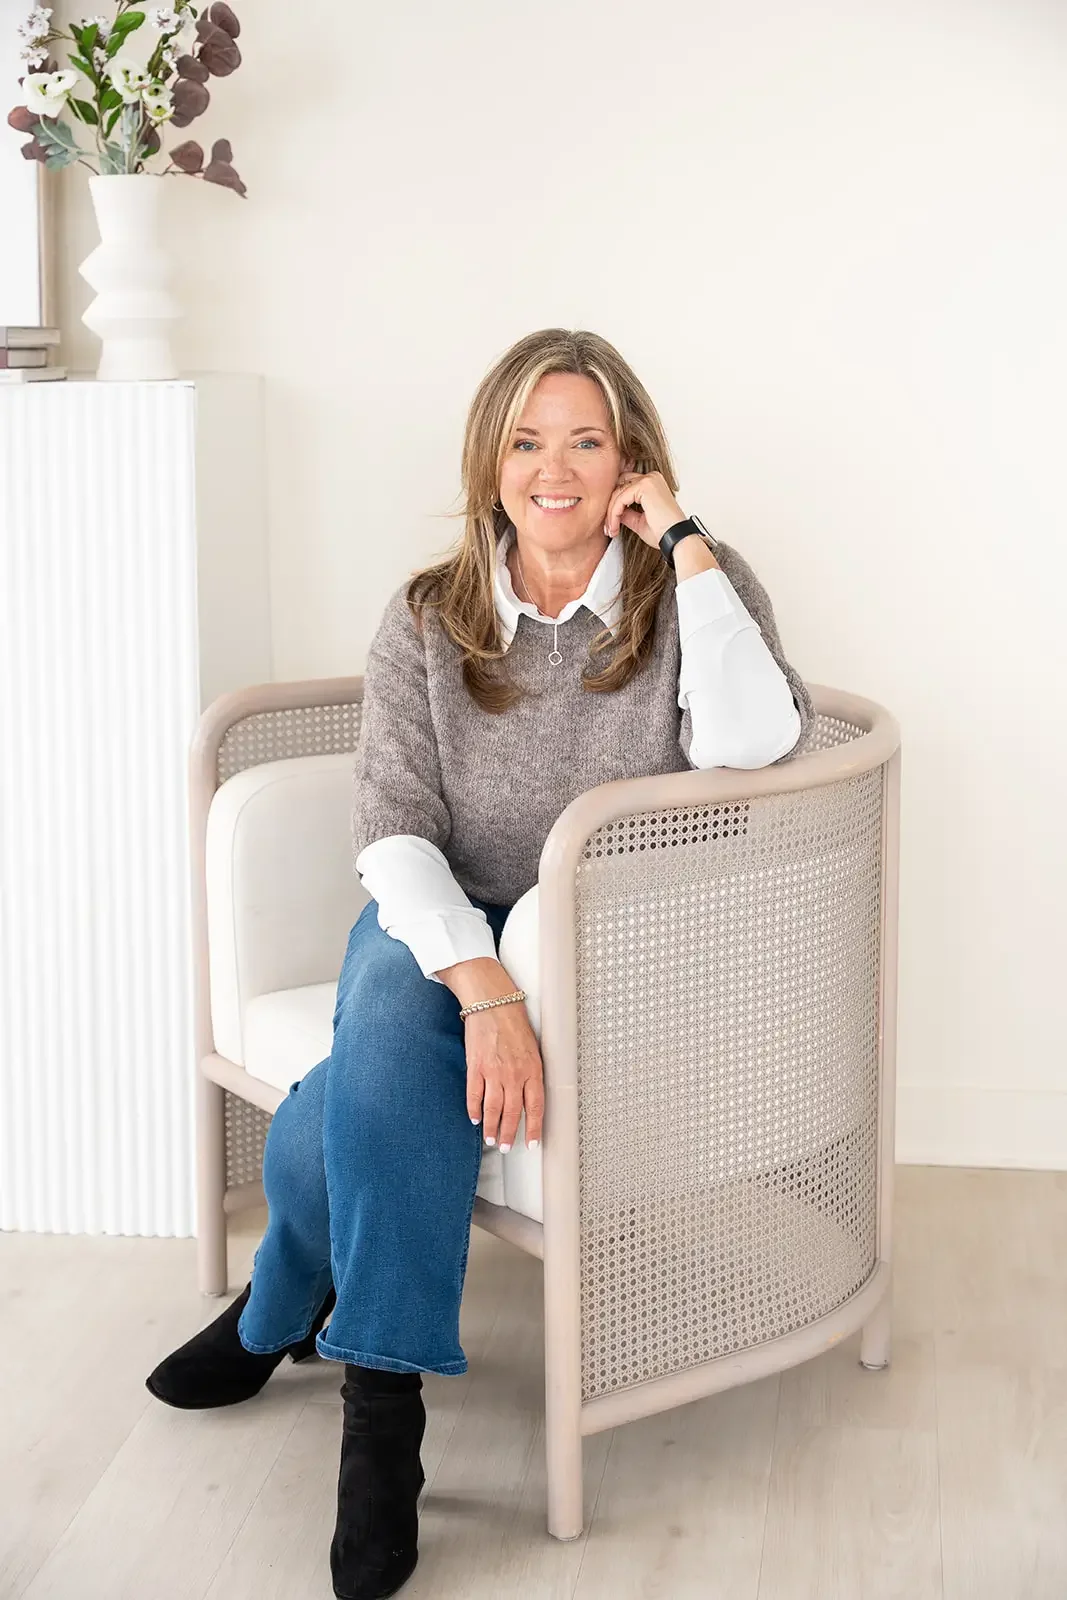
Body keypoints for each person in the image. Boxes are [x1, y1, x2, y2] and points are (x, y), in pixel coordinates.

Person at [144, 327, 813, 1600]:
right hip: (442, 915)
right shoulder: (425, 615)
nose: (553, 470)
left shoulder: (697, 584)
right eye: (526, 441)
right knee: (387, 1038)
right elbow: (394, 829)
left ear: (631, 460)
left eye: (586, 441)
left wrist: (683, 538)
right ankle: (381, 1414)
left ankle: (276, 1305)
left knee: (342, 1096)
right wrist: (484, 989)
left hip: (600, 940)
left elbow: (757, 739)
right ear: (488, 461)